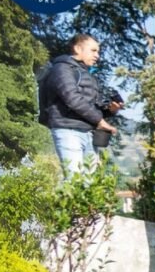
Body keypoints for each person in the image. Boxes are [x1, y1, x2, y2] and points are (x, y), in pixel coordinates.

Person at [38, 33, 120, 174]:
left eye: (98, 51)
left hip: (88, 132)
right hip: (68, 131)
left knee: (89, 184)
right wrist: (100, 121)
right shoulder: (62, 69)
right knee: (74, 179)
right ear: (77, 49)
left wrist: (109, 110)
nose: (97, 56)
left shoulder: (86, 74)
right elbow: (72, 99)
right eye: (93, 50)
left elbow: (90, 105)